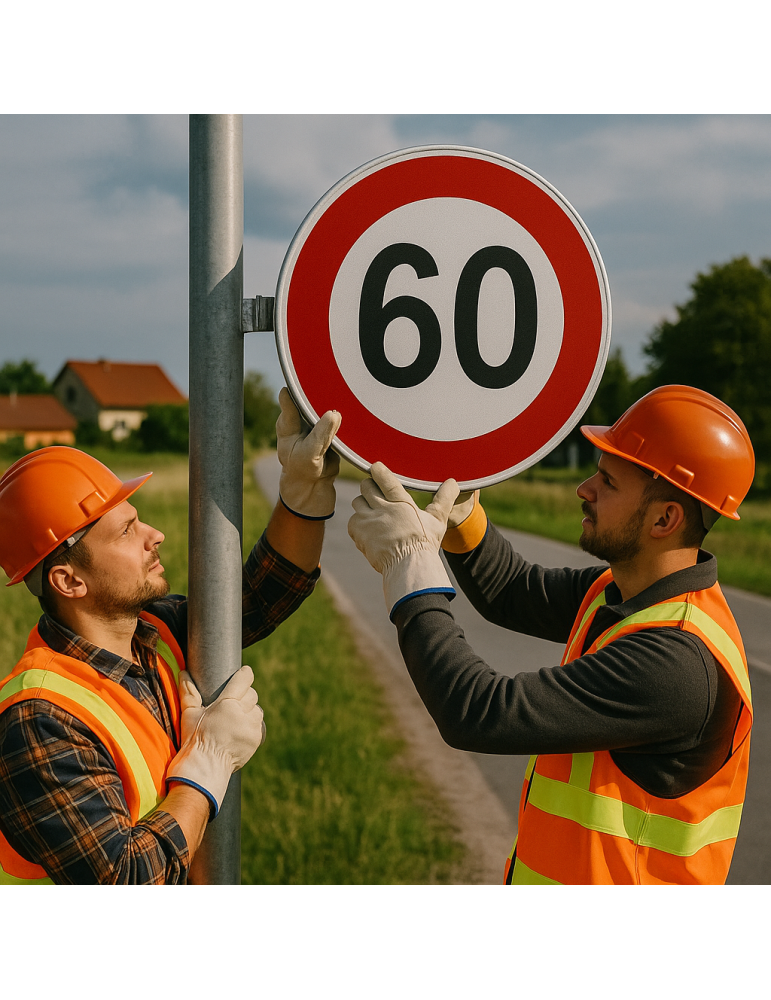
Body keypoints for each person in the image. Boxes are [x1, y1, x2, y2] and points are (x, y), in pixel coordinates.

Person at [348, 385, 755, 885]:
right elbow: (515, 591)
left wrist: (411, 569)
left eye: (608, 481)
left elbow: (479, 711)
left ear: (664, 519)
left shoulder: (675, 661)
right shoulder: (625, 593)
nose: (584, 488)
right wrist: (459, 509)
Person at [0, 389, 341, 884]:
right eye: (125, 531)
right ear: (69, 581)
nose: (154, 534)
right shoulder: (39, 720)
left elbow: (262, 595)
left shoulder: (154, 631)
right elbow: (125, 879)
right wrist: (206, 768)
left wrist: (301, 499)